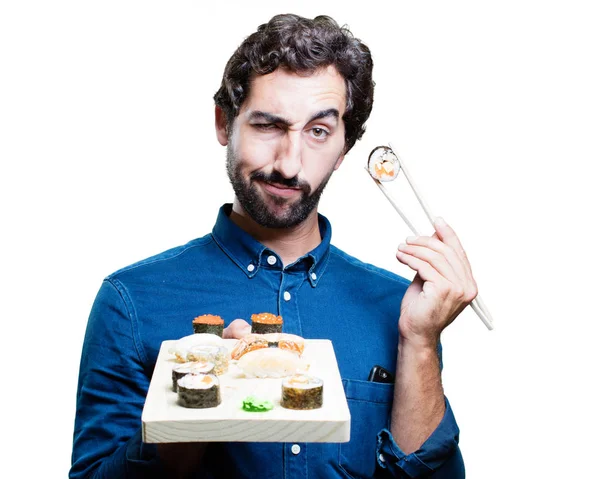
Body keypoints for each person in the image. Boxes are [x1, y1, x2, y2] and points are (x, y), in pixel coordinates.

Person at [70, 13, 476, 479]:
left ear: (344, 148)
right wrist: (197, 403)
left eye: (318, 132)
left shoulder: (401, 310)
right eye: (267, 125)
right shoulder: (131, 302)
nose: (289, 164)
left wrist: (420, 344)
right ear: (225, 123)